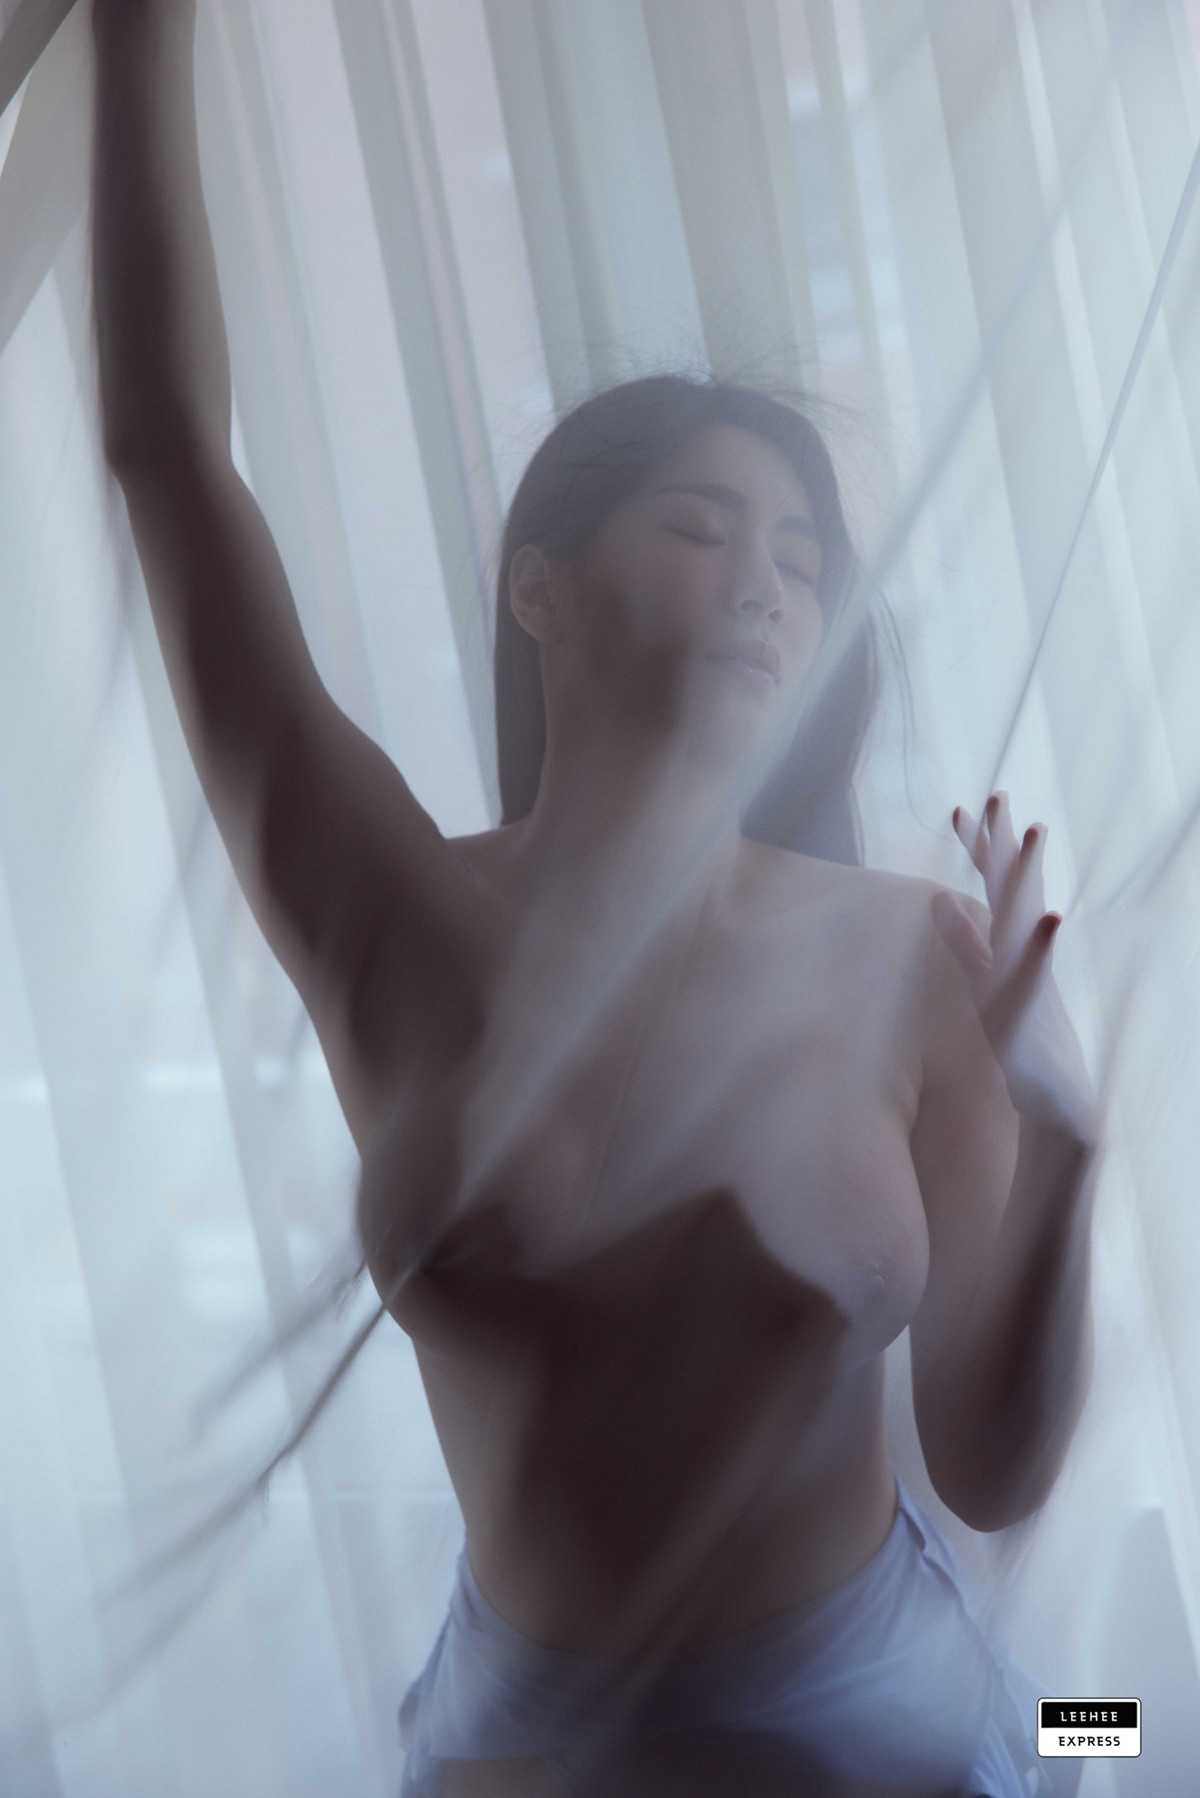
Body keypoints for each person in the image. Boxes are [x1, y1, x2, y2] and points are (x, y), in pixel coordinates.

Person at [89, 2, 1093, 1791]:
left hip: (899, 1717)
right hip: (524, 1749)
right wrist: (135, 35)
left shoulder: (905, 952)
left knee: (1113, 1720)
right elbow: (170, 457)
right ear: (538, 588)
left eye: (802, 556)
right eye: (701, 528)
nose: (767, 583)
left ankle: (1109, 1724)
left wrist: (1061, 1141)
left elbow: (992, 1467)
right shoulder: (393, 913)